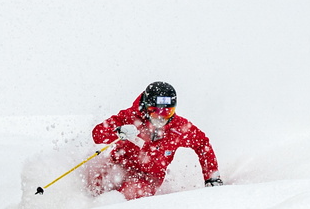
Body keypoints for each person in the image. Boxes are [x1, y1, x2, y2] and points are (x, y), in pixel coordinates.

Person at [86, 81, 223, 200]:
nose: (161, 118)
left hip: (148, 178)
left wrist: (212, 177)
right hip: (119, 165)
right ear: (146, 107)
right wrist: (118, 131)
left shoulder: (178, 128)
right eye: (155, 111)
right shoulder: (129, 118)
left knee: (130, 193)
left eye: (167, 113)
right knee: (96, 179)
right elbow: (97, 134)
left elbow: (202, 144)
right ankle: (84, 207)